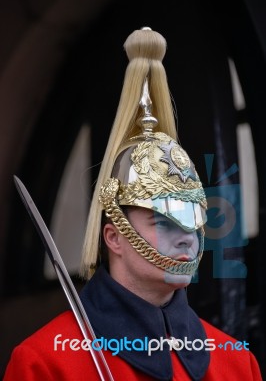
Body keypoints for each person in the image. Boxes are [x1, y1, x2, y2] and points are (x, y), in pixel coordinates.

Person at [3, 27, 262, 381]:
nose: (187, 236)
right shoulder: (45, 362)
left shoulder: (235, 364)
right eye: (165, 221)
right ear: (113, 237)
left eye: (193, 219)